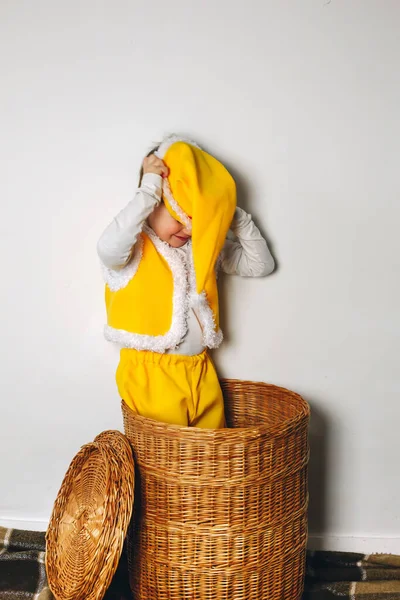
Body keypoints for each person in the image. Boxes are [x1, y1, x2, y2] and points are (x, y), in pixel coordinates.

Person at [97, 135, 275, 428]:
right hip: (152, 376)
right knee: (166, 461)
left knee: (212, 457)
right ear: (156, 202)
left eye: (195, 219)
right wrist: (149, 187)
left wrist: (233, 218)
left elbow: (261, 265)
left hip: (201, 371)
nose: (188, 228)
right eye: (179, 215)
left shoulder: (200, 252)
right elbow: (108, 248)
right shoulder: (133, 250)